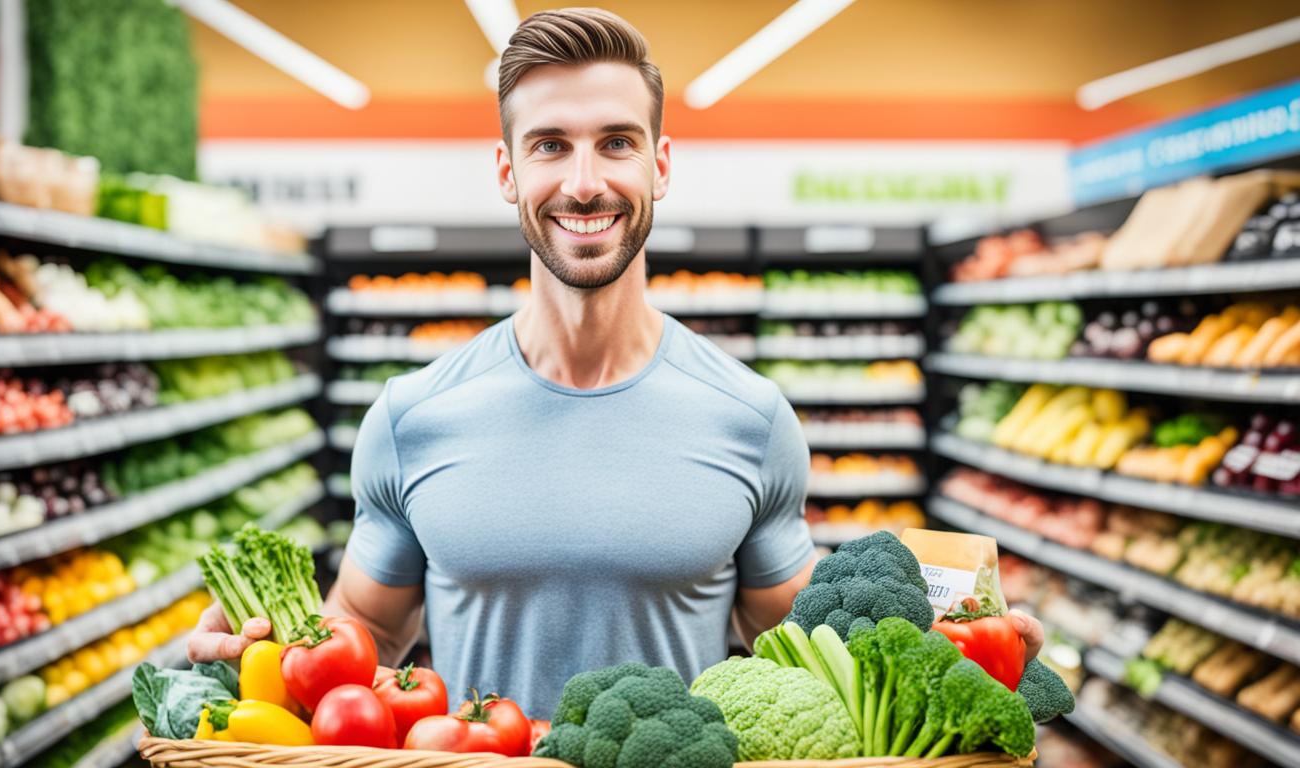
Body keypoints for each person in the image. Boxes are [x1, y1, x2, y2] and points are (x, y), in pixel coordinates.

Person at [188, 7, 1044, 719]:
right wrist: (256, 652)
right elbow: (359, 640)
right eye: (551, 145)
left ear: (660, 165)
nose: (585, 181)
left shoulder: (750, 417)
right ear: (508, 171)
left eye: (617, 143)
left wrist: (963, 654)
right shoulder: (412, 417)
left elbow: (810, 652)